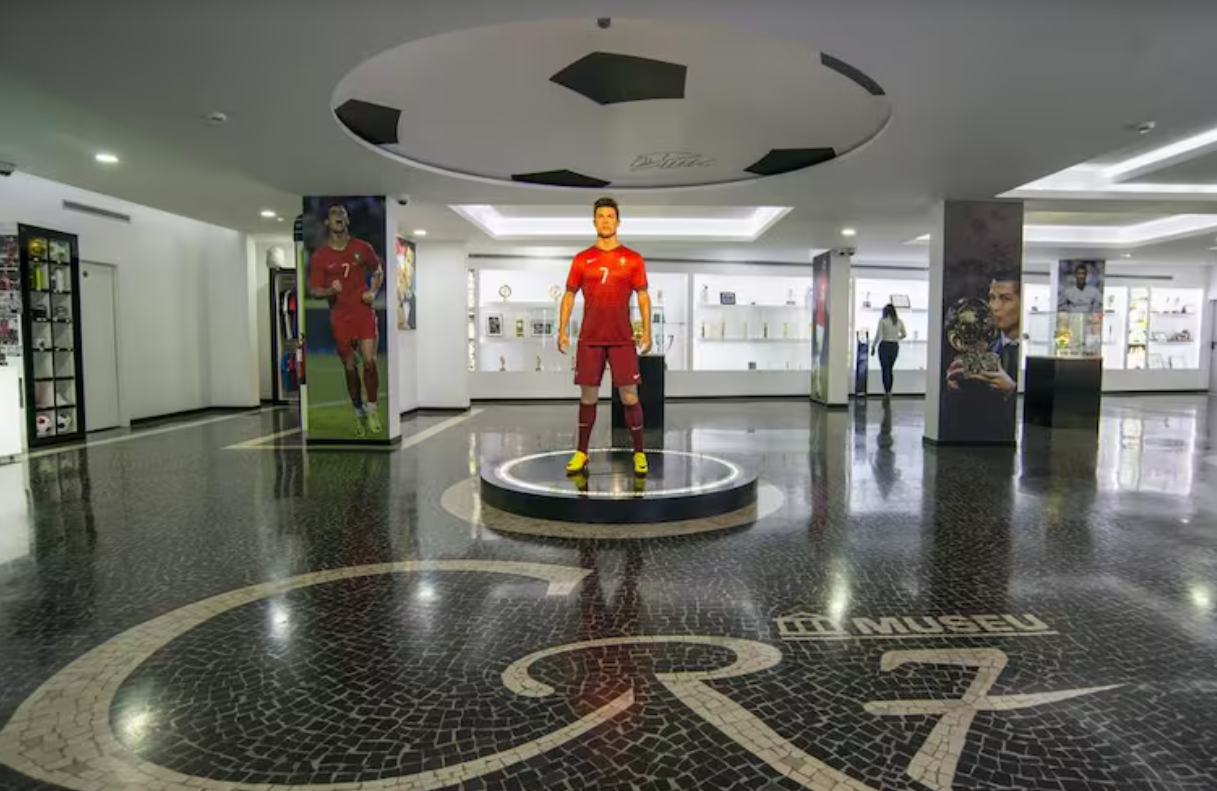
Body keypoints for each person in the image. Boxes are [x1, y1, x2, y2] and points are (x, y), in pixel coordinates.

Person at [558, 197, 652, 476]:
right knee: (588, 397)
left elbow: (643, 296)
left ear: (618, 221)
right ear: (594, 221)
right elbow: (569, 295)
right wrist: (561, 329)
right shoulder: (581, 259)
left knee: (630, 397)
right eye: (601, 216)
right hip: (590, 338)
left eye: (610, 216)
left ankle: (639, 453)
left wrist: (648, 330)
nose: (606, 220)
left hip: (622, 337)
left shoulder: (633, 258)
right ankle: (581, 453)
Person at [307, 204, 385, 437]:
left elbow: (378, 271)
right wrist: (330, 290)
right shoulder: (320, 256)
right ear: (327, 223)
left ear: (348, 220)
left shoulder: (363, 248)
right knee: (350, 368)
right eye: (334, 214)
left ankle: (372, 410)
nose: (338, 217)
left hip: (363, 312)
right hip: (340, 316)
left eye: (342, 214)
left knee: (370, 361)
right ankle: (358, 412)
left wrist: (373, 291)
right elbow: (314, 290)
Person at [947, 267, 1021, 395]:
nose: (994, 307)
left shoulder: (1033, 352)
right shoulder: (985, 350)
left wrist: (1011, 389)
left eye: (1005, 299)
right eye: (992, 298)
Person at [870, 304, 906, 397]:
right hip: (894, 346)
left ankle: (887, 391)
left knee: (885, 369)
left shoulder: (882, 321)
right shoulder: (899, 321)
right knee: (890, 369)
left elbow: (879, 335)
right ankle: (889, 390)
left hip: (884, 345)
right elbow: (904, 334)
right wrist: (896, 338)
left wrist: (873, 346)